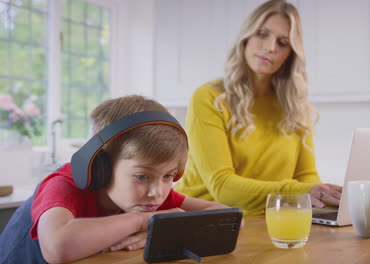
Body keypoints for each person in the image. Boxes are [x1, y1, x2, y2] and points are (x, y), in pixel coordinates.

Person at [0, 95, 231, 263]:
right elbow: (57, 247)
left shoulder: (150, 193)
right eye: (142, 176)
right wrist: (144, 222)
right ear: (101, 166)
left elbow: (229, 219)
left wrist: (162, 229)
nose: (157, 193)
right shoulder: (62, 185)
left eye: (168, 175)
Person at [175, 0, 342, 214]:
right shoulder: (209, 98)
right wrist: (301, 192)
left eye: (282, 43)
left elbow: (306, 176)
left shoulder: (295, 106)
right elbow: (222, 187)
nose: (270, 48)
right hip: (202, 221)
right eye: (262, 34)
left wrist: (322, 195)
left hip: (266, 219)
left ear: (290, 54)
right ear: (246, 38)